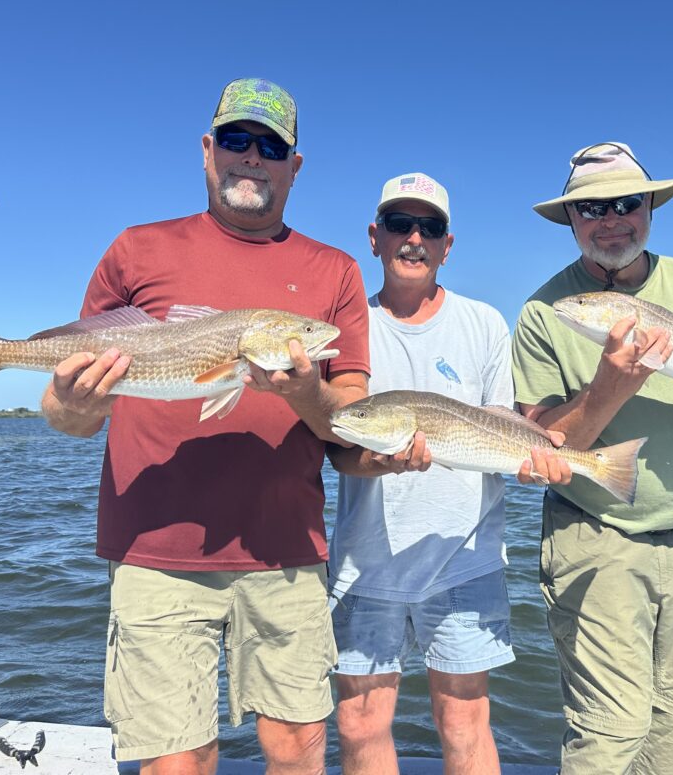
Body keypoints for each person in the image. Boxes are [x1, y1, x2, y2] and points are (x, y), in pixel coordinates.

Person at [40, 77, 370, 775]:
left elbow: (350, 425)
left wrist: (307, 391)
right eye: (236, 139)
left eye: (271, 146)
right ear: (207, 149)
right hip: (153, 549)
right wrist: (77, 402)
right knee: (174, 760)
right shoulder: (135, 249)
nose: (252, 158)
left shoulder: (336, 271)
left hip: (287, 550)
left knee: (299, 746)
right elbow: (64, 416)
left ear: (294, 165)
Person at [511, 142, 673, 774]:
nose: (611, 219)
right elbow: (543, 443)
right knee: (611, 731)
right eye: (592, 208)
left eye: (627, 202)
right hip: (593, 533)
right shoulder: (545, 312)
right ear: (571, 221)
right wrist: (609, 387)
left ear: (650, 207)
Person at [326, 172, 567, 775]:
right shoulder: (348, 327)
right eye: (399, 225)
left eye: (428, 227)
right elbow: (335, 443)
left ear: (447, 243)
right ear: (374, 237)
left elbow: (499, 423)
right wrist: (380, 459)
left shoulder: (485, 323)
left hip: (466, 556)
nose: (414, 238)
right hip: (365, 561)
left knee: (464, 722)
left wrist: (537, 456)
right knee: (359, 724)